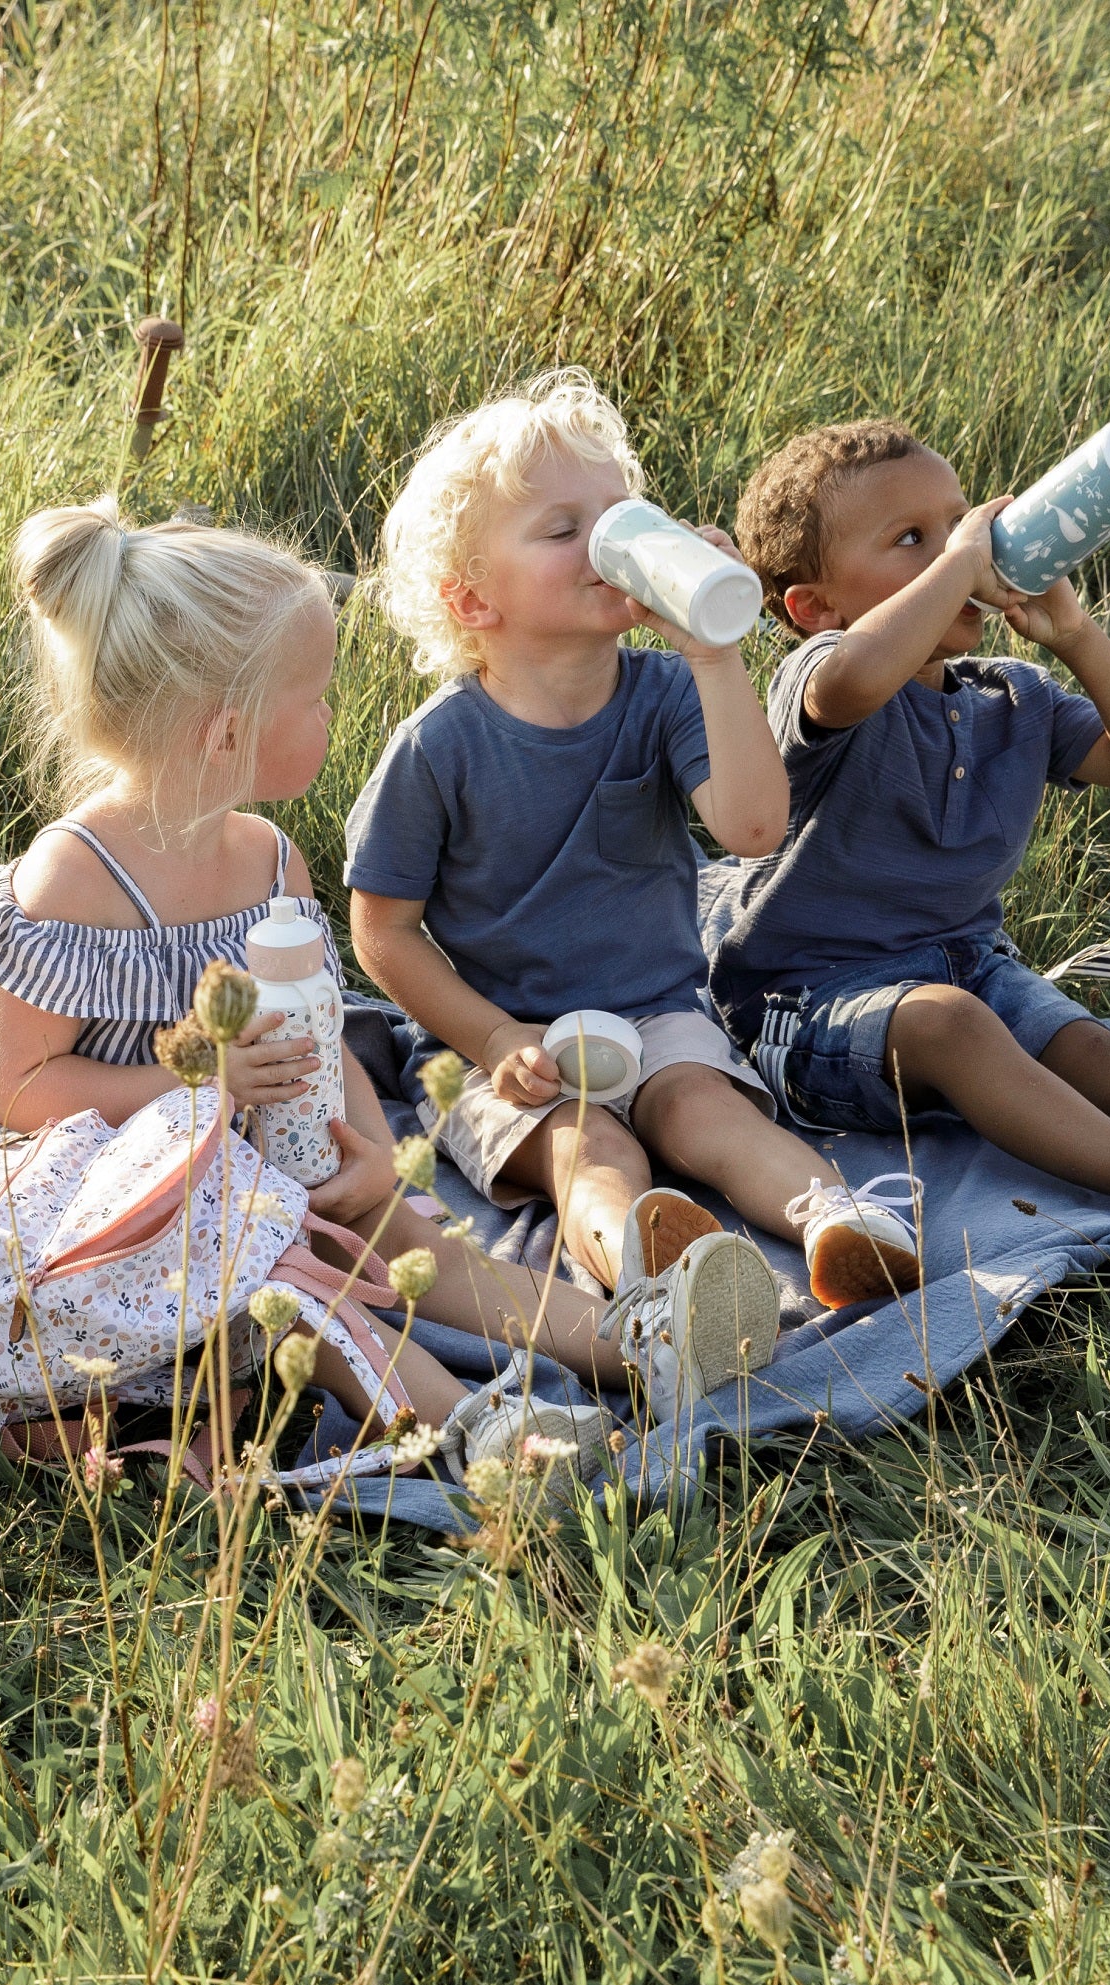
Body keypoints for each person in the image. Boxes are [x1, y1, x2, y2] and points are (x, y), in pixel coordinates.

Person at [0, 495, 621, 1480]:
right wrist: (205, 1088)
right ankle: (485, 1437)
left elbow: (319, 1036)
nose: (331, 714)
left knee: (391, 1227)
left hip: (248, 1142)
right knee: (302, 1276)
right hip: (98, 1181)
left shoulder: (264, 859)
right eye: (313, 697)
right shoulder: (73, 878)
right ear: (228, 732)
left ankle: (627, 1337)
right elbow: (18, 1088)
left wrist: (371, 1150)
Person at [346, 371, 924, 1428]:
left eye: (619, 518)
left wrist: (711, 653)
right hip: (515, 1045)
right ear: (473, 599)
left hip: (656, 1005)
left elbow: (751, 828)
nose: (606, 544)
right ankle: (662, 1297)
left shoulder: (664, 692)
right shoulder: (439, 746)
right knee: (588, 1149)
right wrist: (486, 1037)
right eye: (564, 529)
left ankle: (831, 1221)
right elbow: (380, 928)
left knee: (699, 1108)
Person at [712, 418, 1110, 1245]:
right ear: (814, 606)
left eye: (957, 523)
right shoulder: (821, 677)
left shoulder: (1009, 697)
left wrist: (1077, 636)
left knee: (1089, 1048)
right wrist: (956, 568)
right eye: (913, 539)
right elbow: (854, 679)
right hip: (808, 1001)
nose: (961, 552)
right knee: (950, 1024)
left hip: (972, 965)